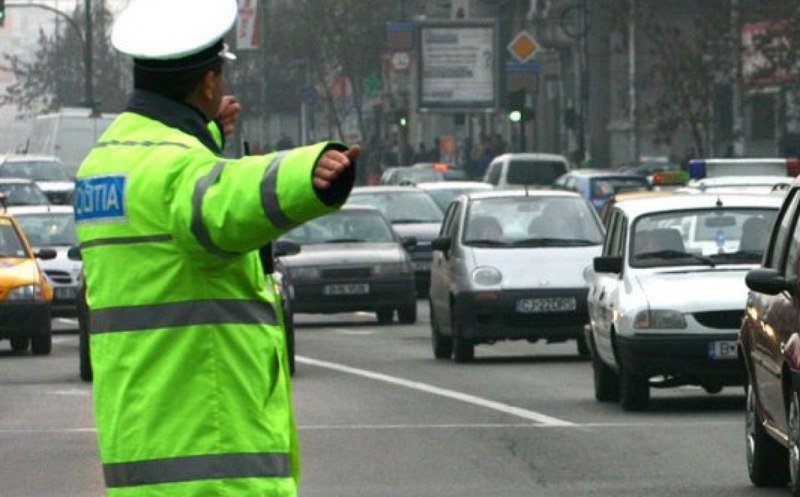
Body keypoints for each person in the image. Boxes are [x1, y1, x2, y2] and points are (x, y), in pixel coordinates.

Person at [73, 1, 358, 496]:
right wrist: (309, 172)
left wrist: (201, 131)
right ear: (208, 83)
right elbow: (224, 199)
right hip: (211, 463)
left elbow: (175, 200)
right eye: (219, 79)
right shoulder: (179, 172)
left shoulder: (104, 164)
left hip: (143, 449)